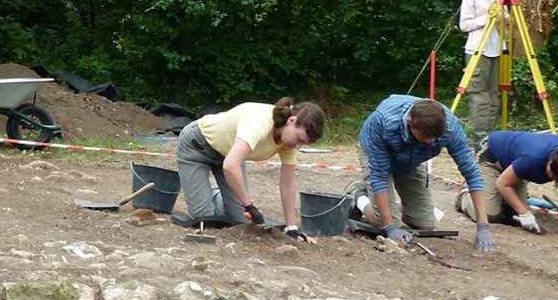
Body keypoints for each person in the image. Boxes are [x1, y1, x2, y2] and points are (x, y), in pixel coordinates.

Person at [354, 94, 496, 252]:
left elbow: (472, 174)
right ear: (410, 122)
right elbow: (379, 176)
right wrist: (390, 228)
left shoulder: (450, 127)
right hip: (378, 154)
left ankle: (389, 205)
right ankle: (359, 196)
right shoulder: (383, 122)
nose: (431, 142)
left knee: (425, 224)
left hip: (413, 159)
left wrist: (483, 226)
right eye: (426, 136)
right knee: (384, 222)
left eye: (436, 138)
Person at [176, 98, 325, 242]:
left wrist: (291, 227)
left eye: (303, 143)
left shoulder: (288, 142)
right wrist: (248, 205)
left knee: (240, 221)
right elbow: (231, 165)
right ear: (291, 121)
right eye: (299, 139)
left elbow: (287, 183)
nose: (298, 146)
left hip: (230, 153)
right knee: (204, 218)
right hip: (197, 146)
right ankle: (212, 194)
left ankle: (217, 194)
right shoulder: (259, 123)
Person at [454, 131, 558, 234]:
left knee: (512, 217)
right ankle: (466, 194)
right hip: (490, 157)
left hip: (514, 167)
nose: (556, 182)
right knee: (490, 215)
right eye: (554, 178)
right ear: (549, 165)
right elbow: (502, 184)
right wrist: (525, 214)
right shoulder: (533, 159)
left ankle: (494, 197)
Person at [459, 0, 501, 147]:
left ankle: (490, 136)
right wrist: (488, 18)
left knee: (493, 94)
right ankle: (479, 136)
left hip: (498, 49)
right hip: (477, 49)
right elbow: (464, 24)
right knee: (479, 95)